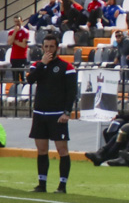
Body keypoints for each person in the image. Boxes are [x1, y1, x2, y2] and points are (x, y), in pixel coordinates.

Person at [25, 34, 77, 193]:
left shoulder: (66, 67)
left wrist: (67, 112)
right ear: (42, 48)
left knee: (62, 150)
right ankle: (42, 184)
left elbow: (71, 92)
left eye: (51, 47)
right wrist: (43, 64)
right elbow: (30, 80)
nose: (48, 50)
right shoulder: (37, 65)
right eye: (46, 47)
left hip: (57, 115)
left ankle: (62, 186)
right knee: (41, 149)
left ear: (57, 48)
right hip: (40, 113)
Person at [6, 16, 29, 81]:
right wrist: (15, 32)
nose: (17, 23)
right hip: (14, 57)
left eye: (18, 21)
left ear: (21, 21)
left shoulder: (25, 32)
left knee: (22, 77)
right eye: (15, 21)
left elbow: (23, 45)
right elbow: (9, 42)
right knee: (15, 78)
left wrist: (14, 41)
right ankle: (16, 90)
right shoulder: (11, 32)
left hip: (22, 57)